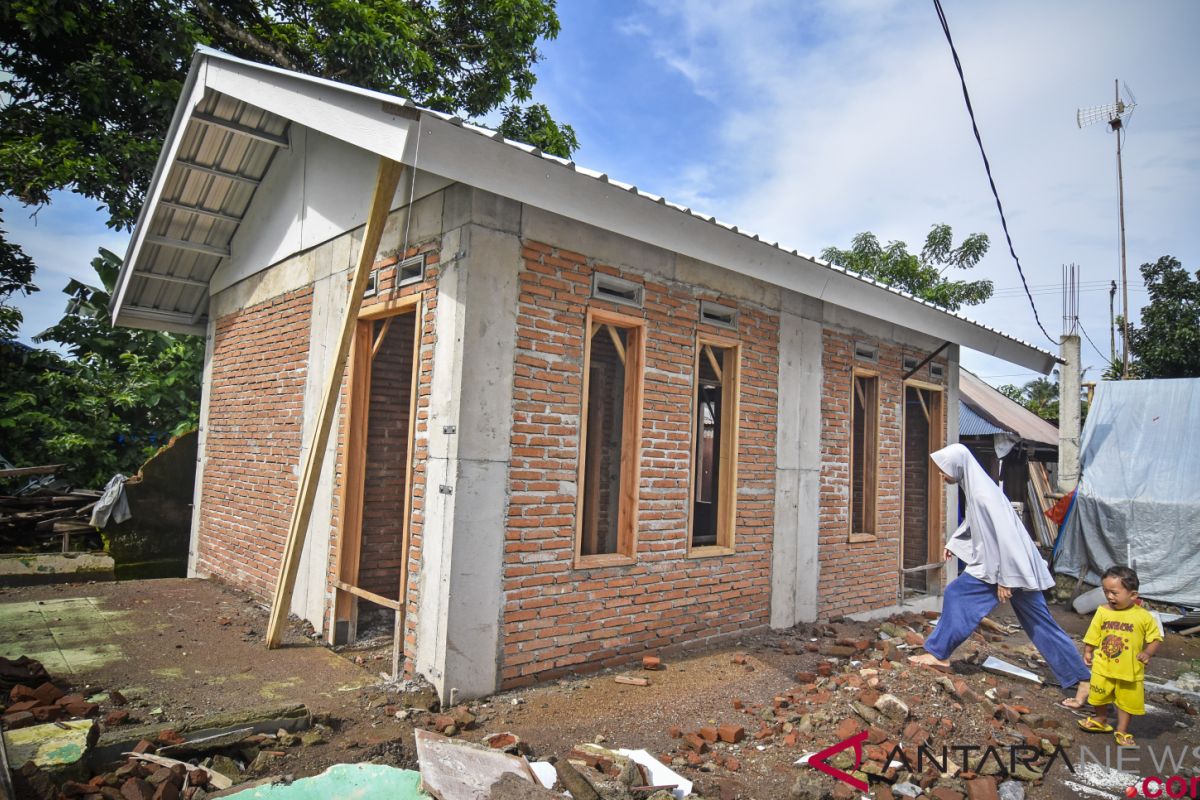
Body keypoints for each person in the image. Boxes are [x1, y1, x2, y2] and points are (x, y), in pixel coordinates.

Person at [909, 444, 1091, 706]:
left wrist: (1007, 579)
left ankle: (939, 654)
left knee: (956, 594)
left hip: (1005, 567)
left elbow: (1006, 538)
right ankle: (1081, 677)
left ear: (958, 466)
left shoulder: (984, 495)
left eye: (943, 470)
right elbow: (975, 523)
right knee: (1040, 623)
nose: (941, 475)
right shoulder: (978, 489)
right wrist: (954, 543)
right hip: (1013, 567)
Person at [1077, 566, 1163, 747]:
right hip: (1103, 666)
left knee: (1126, 702)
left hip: (1129, 670)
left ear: (1133, 595)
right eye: (1105, 591)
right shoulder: (1102, 611)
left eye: (1114, 592)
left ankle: (1122, 730)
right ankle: (1100, 719)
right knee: (1098, 695)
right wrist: (1088, 651)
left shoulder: (1144, 616)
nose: (1109, 596)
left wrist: (1147, 653)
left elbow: (1156, 638)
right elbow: (1094, 633)